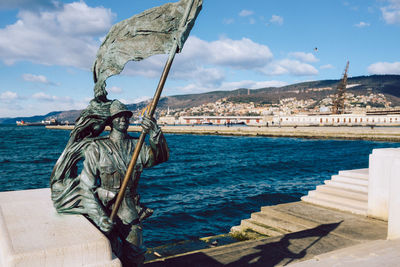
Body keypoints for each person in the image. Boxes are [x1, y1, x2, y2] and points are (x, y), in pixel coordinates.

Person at [51, 99, 169, 266]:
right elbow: (86, 186)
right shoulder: (97, 148)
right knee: (109, 253)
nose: (123, 120)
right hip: (105, 208)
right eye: (118, 116)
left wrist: (155, 133)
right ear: (110, 121)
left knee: (136, 254)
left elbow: (160, 157)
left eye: (126, 116)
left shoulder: (138, 145)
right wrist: (99, 217)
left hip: (130, 210)